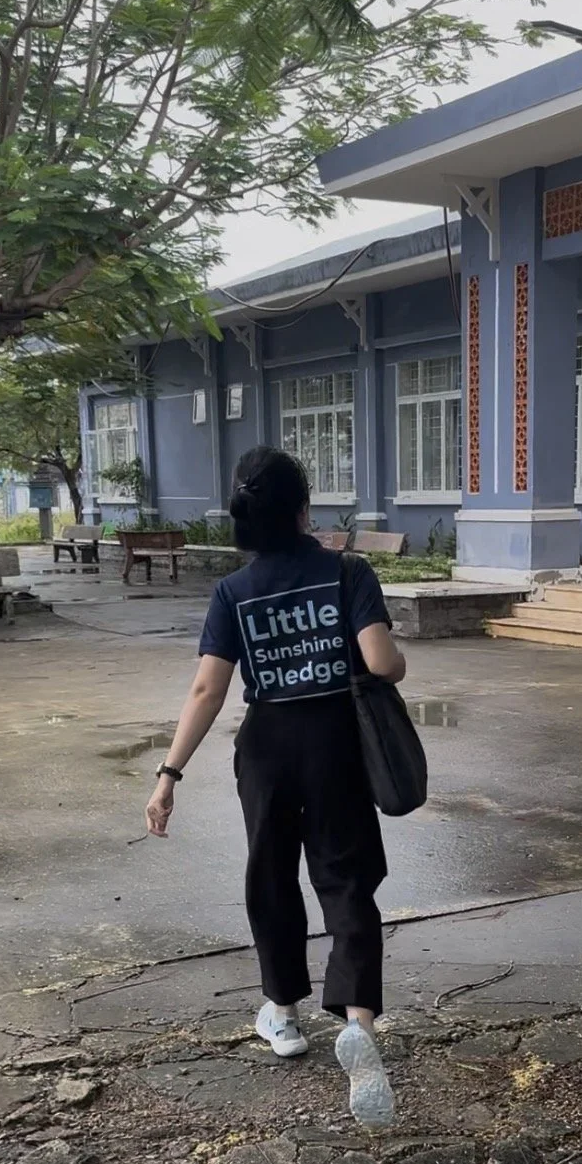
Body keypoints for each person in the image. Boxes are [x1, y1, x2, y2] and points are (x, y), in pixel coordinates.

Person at [145, 446, 406, 1128]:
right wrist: (395, 656)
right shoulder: (346, 572)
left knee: (272, 874)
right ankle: (358, 1022)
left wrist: (169, 774)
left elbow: (208, 688)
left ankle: (284, 1015)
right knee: (346, 878)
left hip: (265, 747)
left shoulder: (234, 591)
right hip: (334, 744)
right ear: (303, 509)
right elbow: (380, 660)